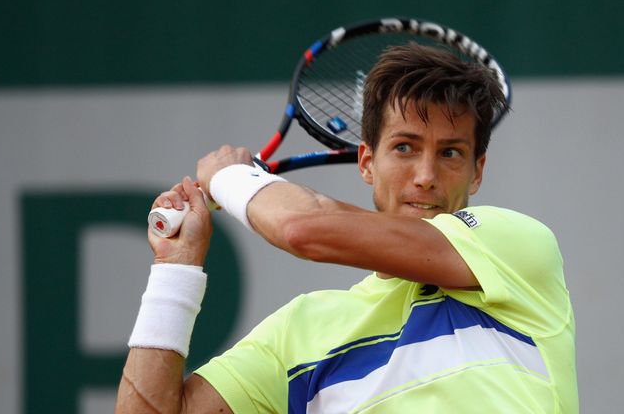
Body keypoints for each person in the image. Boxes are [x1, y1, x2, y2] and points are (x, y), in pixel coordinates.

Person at [116, 43, 578, 413]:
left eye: (451, 153)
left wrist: (232, 177)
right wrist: (175, 269)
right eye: (404, 147)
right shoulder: (299, 334)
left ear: (477, 171)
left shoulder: (518, 248)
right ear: (366, 162)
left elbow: (302, 227)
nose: (425, 175)